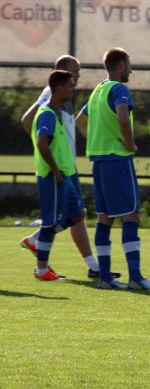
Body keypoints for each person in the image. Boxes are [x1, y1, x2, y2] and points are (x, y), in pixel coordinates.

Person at [19, 55, 115, 280]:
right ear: (62, 74)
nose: (78, 78)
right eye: (75, 73)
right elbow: (30, 122)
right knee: (61, 218)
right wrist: (48, 157)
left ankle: (89, 265)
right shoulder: (49, 100)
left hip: (66, 168)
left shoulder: (64, 100)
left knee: (76, 215)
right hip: (58, 170)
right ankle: (45, 258)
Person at [81, 48, 150, 290]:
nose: (131, 69)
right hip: (118, 159)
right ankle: (135, 277)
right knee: (131, 215)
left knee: (104, 218)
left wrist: (96, 140)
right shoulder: (119, 89)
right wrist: (129, 142)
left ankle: (105, 277)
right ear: (122, 64)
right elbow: (123, 118)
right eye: (129, 64)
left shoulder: (97, 90)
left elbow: (79, 121)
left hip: (100, 160)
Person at [30, 70, 85, 280]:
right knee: (51, 222)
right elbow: (42, 144)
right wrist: (54, 170)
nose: (73, 88)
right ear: (59, 87)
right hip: (54, 176)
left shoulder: (57, 113)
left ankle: (37, 240)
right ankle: (41, 270)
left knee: (77, 214)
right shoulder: (47, 113)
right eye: (70, 85)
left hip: (66, 176)